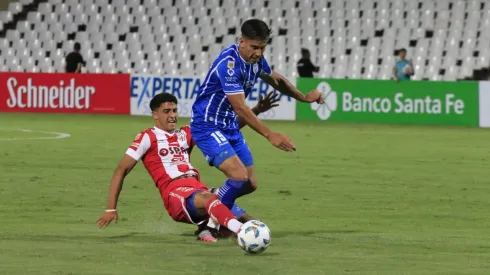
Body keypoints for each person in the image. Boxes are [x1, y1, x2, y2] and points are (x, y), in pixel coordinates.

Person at [96, 91, 281, 242]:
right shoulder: (147, 137)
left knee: (245, 215)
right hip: (175, 193)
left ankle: (213, 228)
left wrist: (255, 110)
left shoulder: (186, 132)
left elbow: (225, 130)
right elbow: (121, 170)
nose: (172, 115)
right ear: (155, 115)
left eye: (174, 110)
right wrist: (111, 208)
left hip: (196, 187)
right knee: (213, 201)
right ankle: (239, 231)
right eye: (166, 111)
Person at [190, 19, 324, 217]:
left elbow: (276, 80)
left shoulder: (256, 59)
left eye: (262, 48)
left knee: (250, 183)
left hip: (229, 125)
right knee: (238, 176)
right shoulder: (229, 64)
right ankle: (210, 224)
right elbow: (240, 107)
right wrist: (270, 134)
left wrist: (304, 98)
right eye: (254, 47)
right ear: (241, 41)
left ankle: (211, 199)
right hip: (207, 125)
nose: (259, 53)